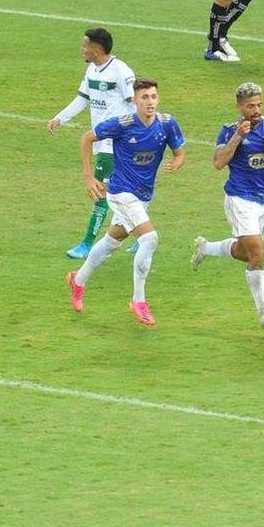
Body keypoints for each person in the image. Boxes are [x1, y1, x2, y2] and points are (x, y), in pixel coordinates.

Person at [66, 78, 186, 326]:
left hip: (143, 196)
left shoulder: (167, 124)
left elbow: (179, 151)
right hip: (121, 193)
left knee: (113, 240)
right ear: (134, 101)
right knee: (150, 239)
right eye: (144, 97)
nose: (150, 102)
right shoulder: (123, 124)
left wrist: (177, 161)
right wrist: (89, 177)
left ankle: (78, 280)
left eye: (153, 97)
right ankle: (138, 301)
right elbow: (87, 138)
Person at [191, 82, 264, 328]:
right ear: (239, 107)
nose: (256, 110)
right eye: (250, 106)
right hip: (240, 199)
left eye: (259, 105)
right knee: (257, 252)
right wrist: (238, 137)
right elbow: (218, 162)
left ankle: (207, 248)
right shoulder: (228, 131)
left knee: (246, 253)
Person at [48, 28, 137, 260]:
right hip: (101, 140)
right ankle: (142, 235)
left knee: (101, 193)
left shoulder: (122, 72)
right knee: (124, 191)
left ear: (96, 50)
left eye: (85, 45)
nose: (82, 49)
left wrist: (138, 136)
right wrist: (60, 118)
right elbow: (83, 99)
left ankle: (87, 243)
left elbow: (136, 105)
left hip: (116, 142)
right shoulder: (92, 69)